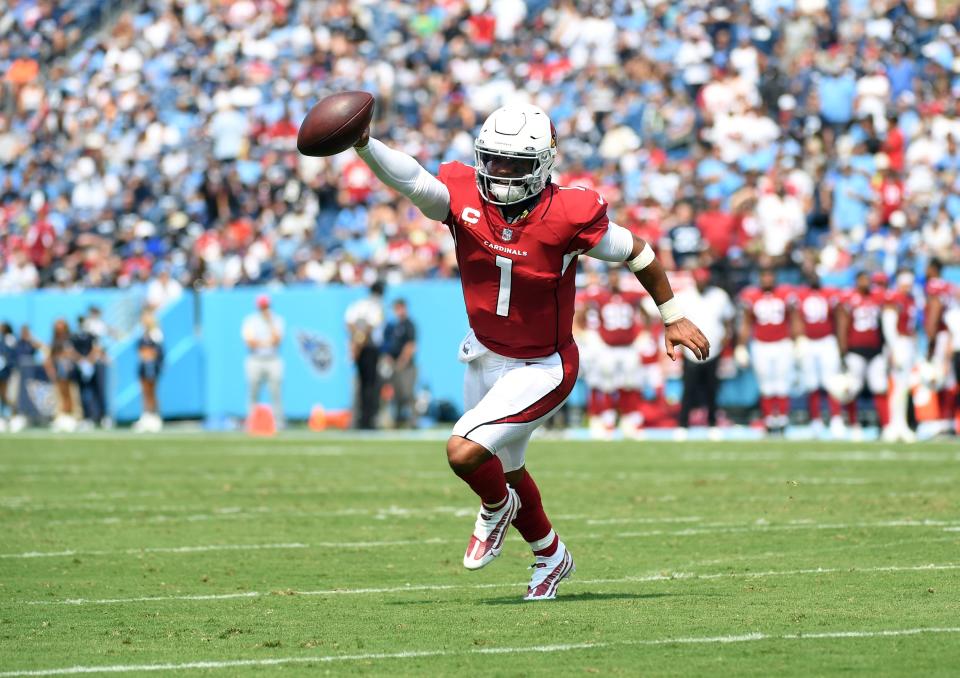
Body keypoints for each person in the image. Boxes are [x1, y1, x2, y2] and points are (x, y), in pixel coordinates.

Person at [352, 104, 708, 600]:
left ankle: (495, 510)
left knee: (465, 450)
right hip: (484, 352)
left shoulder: (568, 213)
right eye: (492, 161)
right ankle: (551, 555)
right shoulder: (464, 198)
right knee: (508, 469)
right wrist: (364, 145)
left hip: (543, 364)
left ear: (542, 164)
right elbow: (414, 181)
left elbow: (638, 252)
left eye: (514, 164)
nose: (499, 173)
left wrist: (672, 315)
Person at [578, 273, 645, 438]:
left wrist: (645, 332)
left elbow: (646, 311)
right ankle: (608, 420)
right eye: (612, 277)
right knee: (607, 384)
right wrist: (582, 331)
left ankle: (630, 420)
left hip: (628, 347)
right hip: (606, 347)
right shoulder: (599, 297)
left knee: (630, 383)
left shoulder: (630, 296)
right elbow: (582, 311)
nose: (614, 280)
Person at [676, 267, 735, 434]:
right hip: (690, 349)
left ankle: (712, 423)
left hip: (713, 348)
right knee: (688, 388)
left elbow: (729, 319)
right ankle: (683, 424)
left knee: (712, 388)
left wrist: (725, 339)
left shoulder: (719, 296)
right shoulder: (684, 296)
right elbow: (676, 322)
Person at [737, 267, 795, 432]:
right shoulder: (751, 296)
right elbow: (747, 323)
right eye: (764, 276)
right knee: (766, 383)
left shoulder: (785, 294)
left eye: (770, 276)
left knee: (782, 382)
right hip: (761, 344)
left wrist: (798, 339)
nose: (767, 279)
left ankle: (783, 418)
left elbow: (794, 318)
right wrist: (741, 345)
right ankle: (769, 418)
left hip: (782, 343)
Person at [791, 274, 845, 437]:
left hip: (827, 341)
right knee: (811, 383)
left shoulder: (830, 294)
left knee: (832, 382)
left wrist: (841, 344)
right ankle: (816, 420)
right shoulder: (800, 295)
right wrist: (799, 338)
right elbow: (795, 318)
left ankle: (836, 419)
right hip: (808, 341)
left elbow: (840, 317)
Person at [836, 271, 889, 433]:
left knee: (880, 387)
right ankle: (853, 425)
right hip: (855, 350)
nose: (865, 283)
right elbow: (842, 325)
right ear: (857, 281)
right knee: (852, 388)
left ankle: (886, 425)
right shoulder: (849, 299)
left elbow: (884, 324)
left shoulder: (877, 298)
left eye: (867, 279)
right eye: (862, 279)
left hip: (875, 350)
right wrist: (842, 351)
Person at [881, 270, 918, 442]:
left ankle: (900, 423)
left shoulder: (910, 298)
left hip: (908, 343)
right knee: (897, 386)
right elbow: (889, 327)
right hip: (899, 343)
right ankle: (895, 424)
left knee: (903, 386)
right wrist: (894, 349)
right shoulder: (893, 298)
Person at [345, 282, 385, 430]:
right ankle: (368, 419)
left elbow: (349, 322)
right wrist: (359, 342)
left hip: (358, 346)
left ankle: (361, 419)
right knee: (370, 385)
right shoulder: (376, 305)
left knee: (362, 384)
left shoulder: (359, 304)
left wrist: (355, 343)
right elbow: (370, 327)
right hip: (369, 348)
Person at [242, 295, 285, 426]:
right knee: (253, 390)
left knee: (276, 391)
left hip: (273, 358)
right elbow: (250, 342)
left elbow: (277, 340)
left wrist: (270, 323)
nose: (264, 309)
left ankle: (278, 423)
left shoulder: (277, 320)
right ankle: (252, 422)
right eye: (262, 307)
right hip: (255, 358)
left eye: (266, 306)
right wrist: (266, 343)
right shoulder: (251, 321)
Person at [382, 298, 418, 428]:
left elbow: (410, 345)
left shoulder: (409, 325)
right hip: (394, 364)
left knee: (407, 392)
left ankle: (413, 421)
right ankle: (397, 421)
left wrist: (402, 360)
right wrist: (390, 359)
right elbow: (387, 346)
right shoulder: (393, 326)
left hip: (406, 365)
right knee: (396, 393)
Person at [71, 316, 106, 427]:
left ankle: (102, 416)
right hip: (80, 366)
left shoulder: (91, 336)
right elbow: (71, 350)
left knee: (97, 391)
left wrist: (89, 362)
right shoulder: (74, 337)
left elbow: (96, 349)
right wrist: (82, 362)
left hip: (92, 366)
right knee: (82, 393)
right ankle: (86, 417)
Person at [133, 310, 165, 433]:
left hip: (152, 366)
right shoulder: (142, 333)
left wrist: (149, 355)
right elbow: (139, 349)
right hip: (143, 366)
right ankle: (146, 415)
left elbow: (157, 352)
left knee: (152, 391)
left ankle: (155, 416)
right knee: (144, 391)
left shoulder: (156, 334)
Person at [47, 319, 77, 432]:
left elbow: (71, 352)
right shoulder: (54, 339)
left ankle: (70, 415)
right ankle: (62, 416)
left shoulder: (69, 338)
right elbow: (51, 355)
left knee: (68, 392)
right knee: (60, 392)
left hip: (67, 367)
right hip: (57, 367)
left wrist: (65, 357)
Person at [0, 323, 15, 427]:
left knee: (6, 393)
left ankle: (9, 414)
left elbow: (10, 355)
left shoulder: (10, 339)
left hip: (6, 370)